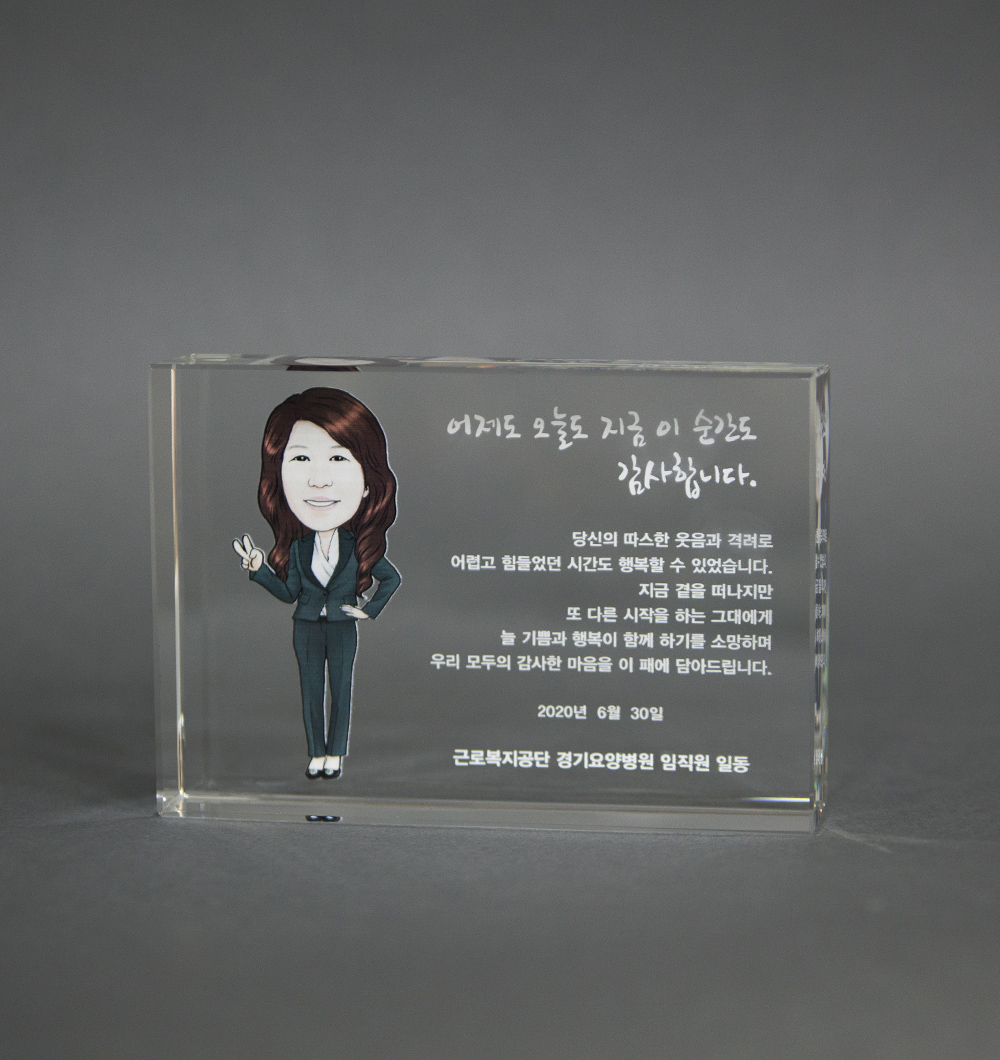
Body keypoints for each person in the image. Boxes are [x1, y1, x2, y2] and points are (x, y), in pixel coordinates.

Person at [233, 387, 400, 779]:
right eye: (301, 458)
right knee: (310, 691)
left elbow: (391, 578)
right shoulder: (298, 548)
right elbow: (288, 592)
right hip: (306, 627)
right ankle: (315, 754)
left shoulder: (357, 547)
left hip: (342, 626)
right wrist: (259, 569)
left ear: (367, 482)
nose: (319, 481)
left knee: (341, 690)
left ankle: (336, 754)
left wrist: (369, 610)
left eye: (338, 458)